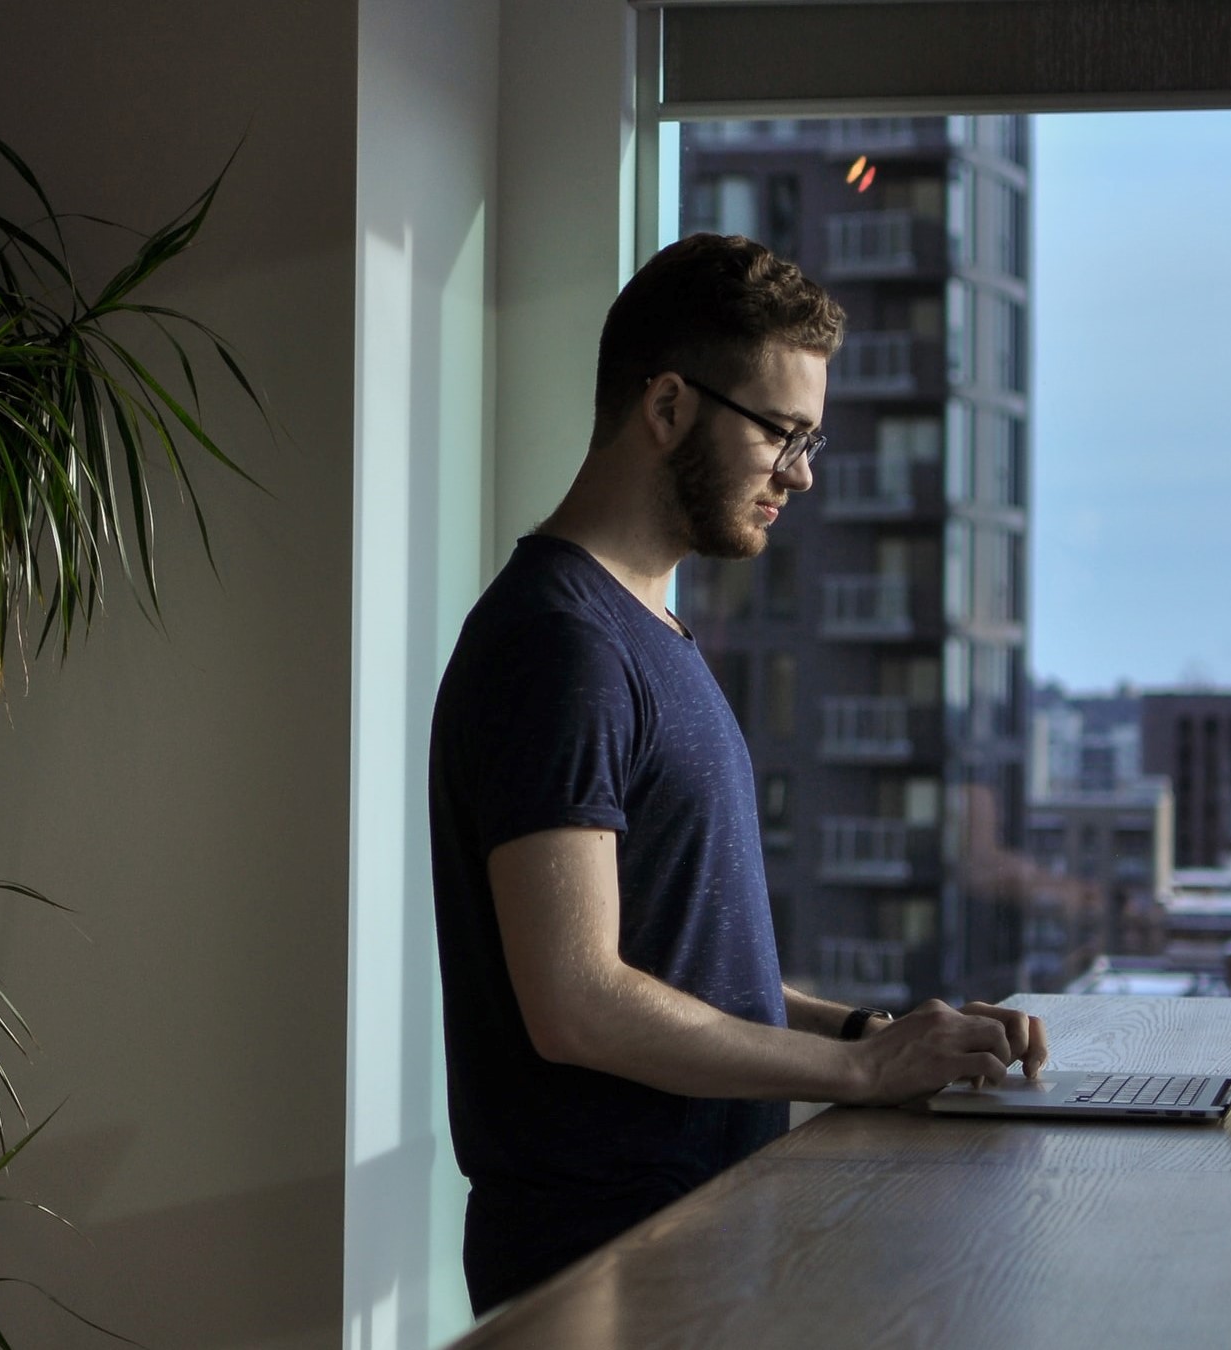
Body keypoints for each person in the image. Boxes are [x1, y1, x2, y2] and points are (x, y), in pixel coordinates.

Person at [427, 234, 1048, 1315]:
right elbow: (577, 1002)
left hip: (688, 1242)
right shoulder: (559, 647)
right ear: (668, 406)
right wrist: (860, 1078)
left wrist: (874, 1035)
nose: (801, 475)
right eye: (784, 434)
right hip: (597, 1267)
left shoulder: (641, 633)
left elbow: (677, 966)